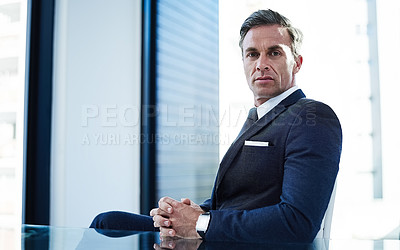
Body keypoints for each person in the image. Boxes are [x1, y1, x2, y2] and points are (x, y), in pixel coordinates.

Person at [90, 9, 342, 244]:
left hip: (244, 243)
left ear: (296, 63)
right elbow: (240, 200)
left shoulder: (312, 116)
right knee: (109, 222)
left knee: (107, 224)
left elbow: (298, 222)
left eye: (274, 53)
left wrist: (200, 223)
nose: (261, 63)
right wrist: (185, 214)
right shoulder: (260, 117)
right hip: (222, 232)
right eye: (252, 53)